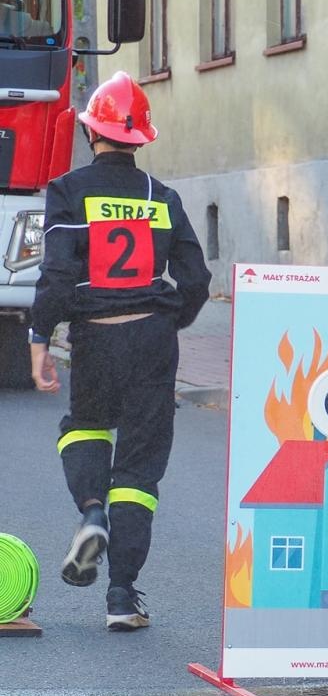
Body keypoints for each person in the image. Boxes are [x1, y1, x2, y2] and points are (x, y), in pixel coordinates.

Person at [29, 72, 210, 630]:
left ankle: (91, 513)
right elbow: (197, 278)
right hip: (153, 336)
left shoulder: (68, 191)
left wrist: (40, 338)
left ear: (92, 134)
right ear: (139, 139)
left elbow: (57, 275)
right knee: (139, 465)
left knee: (84, 426)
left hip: (96, 336)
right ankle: (122, 597)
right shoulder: (163, 197)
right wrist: (169, 318)